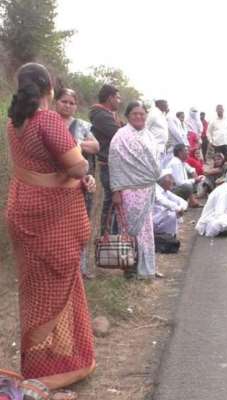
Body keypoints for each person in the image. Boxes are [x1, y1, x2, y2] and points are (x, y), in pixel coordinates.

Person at [5, 63, 96, 397]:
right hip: (50, 220)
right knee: (58, 287)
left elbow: (38, 164)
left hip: (23, 212)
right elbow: (76, 164)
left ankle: (43, 360)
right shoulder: (47, 120)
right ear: (49, 90)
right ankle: (58, 366)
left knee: (35, 291)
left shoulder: (14, 122)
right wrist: (83, 166)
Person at [109, 101, 162, 279]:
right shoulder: (120, 136)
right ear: (128, 116)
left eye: (142, 114)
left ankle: (146, 268)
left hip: (147, 189)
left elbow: (155, 162)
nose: (139, 117)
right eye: (135, 114)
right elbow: (115, 165)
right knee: (129, 229)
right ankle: (129, 268)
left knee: (146, 229)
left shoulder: (149, 136)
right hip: (128, 190)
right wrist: (116, 190)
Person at [55, 87, 100, 279]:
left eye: (72, 103)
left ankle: (79, 268)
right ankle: (59, 266)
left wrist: (75, 143)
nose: (67, 105)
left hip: (81, 181)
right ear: (55, 102)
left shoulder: (82, 125)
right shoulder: (48, 121)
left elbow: (96, 146)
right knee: (56, 225)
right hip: (54, 182)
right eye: (64, 101)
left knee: (80, 224)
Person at [89, 83, 121, 235]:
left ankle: (111, 237)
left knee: (113, 202)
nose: (119, 101)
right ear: (110, 98)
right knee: (111, 203)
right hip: (108, 165)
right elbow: (119, 136)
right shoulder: (101, 115)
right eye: (118, 97)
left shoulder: (107, 114)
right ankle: (106, 239)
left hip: (111, 164)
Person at [153, 169, 188, 237]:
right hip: (153, 220)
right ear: (164, 181)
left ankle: (171, 237)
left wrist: (181, 208)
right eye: (170, 178)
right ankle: (169, 237)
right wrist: (178, 209)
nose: (173, 181)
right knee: (172, 213)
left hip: (159, 218)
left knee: (174, 212)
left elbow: (183, 201)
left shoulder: (165, 191)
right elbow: (163, 201)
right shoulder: (156, 189)